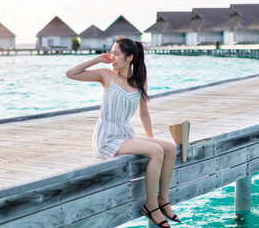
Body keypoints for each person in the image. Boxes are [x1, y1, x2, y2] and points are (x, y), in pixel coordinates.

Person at [66, 37, 180, 228]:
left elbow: (144, 112)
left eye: (116, 53)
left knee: (168, 148)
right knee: (156, 152)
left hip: (125, 133)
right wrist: (98, 59)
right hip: (107, 137)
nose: (112, 56)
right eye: (111, 52)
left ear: (130, 58)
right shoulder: (106, 75)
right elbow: (71, 73)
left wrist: (150, 139)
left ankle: (163, 200)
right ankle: (150, 206)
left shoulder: (139, 81)